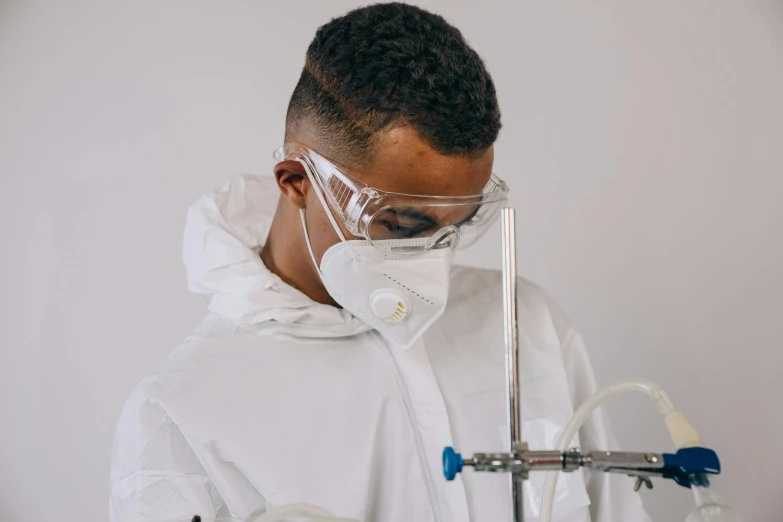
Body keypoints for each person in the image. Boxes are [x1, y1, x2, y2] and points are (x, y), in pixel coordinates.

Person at [109, 4, 650, 522]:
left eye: (457, 226)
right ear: (297, 181)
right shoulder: (184, 412)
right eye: (404, 226)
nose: (436, 259)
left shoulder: (525, 322)